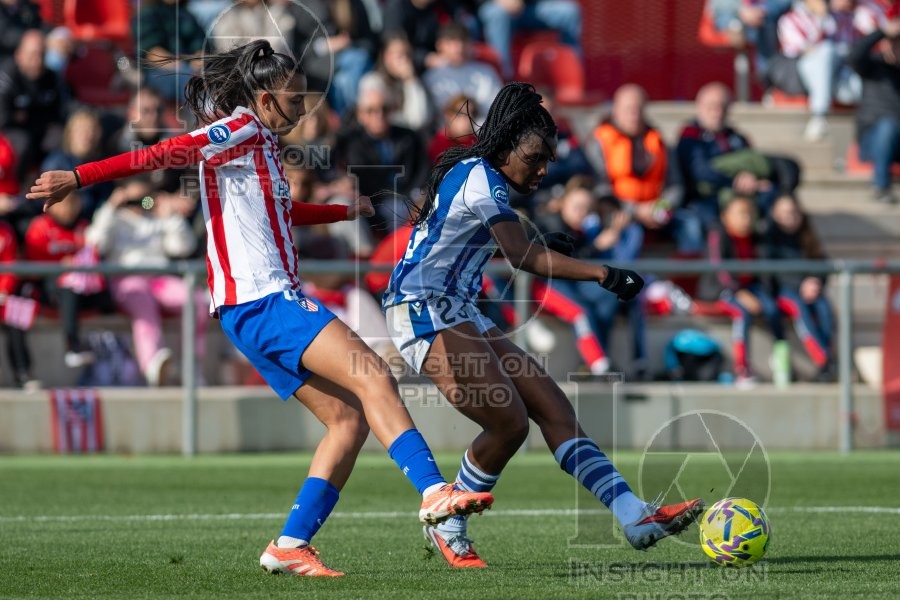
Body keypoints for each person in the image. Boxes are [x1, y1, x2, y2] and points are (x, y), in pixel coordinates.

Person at [26, 39, 493, 577]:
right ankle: (434, 492)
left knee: (347, 421)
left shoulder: (261, 142)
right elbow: (165, 152)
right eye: (294, 100)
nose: (303, 109)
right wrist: (77, 177)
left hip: (250, 307)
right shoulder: (242, 128)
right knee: (373, 375)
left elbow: (279, 211)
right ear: (266, 98)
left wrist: (343, 211)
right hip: (264, 297)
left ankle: (290, 545)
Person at [382, 82, 703, 568]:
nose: (542, 169)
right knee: (508, 422)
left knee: (553, 408)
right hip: (421, 309)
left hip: (457, 308)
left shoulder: (481, 175)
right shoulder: (480, 176)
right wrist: (603, 273)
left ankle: (633, 514)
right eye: (534, 158)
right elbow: (519, 255)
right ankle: (448, 523)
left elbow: (467, 241)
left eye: (549, 160)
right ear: (507, 145)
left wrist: (539, 244)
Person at [85, 178, 207, 386]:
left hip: (159, 279)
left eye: (144, 199)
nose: (139, 204)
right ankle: (152, 365)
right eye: (132, 200)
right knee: (143, 304)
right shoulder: (114, 218)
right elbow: (94, 243)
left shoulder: (158, 218)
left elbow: (183, 247)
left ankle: (190, 366)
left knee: (196, 300)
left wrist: (172, 217)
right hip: (126, 280)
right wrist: (111, 206)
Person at [697, 194, 786, 387]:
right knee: (742, 312)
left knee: (772, 308)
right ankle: (742, 369)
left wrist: (764, 293)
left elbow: (763, 271)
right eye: (740, 213)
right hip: (721, 290)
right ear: (725, 216)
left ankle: (781, 360)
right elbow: (719, 269)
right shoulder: (718, 234)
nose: (746, 219)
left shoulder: (757, 238)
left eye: (749, 214)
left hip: (749, 287)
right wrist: (739, 292)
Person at [762, 193, 834, 380]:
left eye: (794, 212)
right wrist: (800, 285)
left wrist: (815, 281)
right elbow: (771, 274)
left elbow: (822, 264)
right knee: (799, 309)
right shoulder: (770, 239)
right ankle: (823, 360)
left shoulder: (807, 235)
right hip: (783, 292)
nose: (790, 217)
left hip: (808, 290)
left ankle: (828, 355)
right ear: (774, 214)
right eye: (784, 213)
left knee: (824, 308)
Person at [847, 15, 900, 204]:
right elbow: (855, 55)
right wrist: (883, 31)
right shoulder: (873, 67)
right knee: (888, 126)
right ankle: (881, 186)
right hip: (873, 140)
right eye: (896, 42)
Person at [476, 0, 583, 79]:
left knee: (569, 12)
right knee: (498, 14)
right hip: (492, 7)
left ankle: (572, 75)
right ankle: (504, 79)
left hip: (527, 8)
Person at [422, 23, 502, 122]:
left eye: (463, 41)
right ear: (440, 45)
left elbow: (496, 111)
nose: (459, 48)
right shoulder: (431, 77)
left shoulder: (486, 73)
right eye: (452, 43)